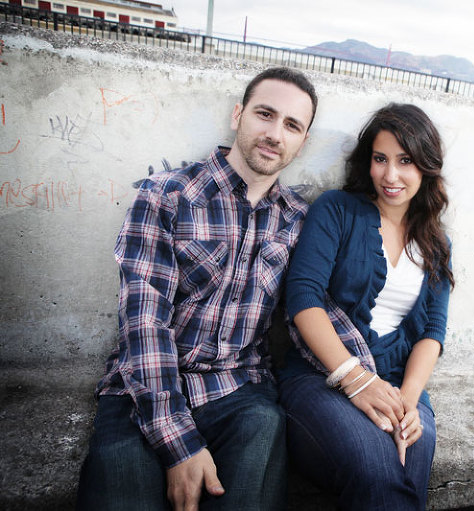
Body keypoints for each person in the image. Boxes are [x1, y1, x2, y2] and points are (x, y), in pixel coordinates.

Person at [76, 66, 318, 511]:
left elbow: (316, 309)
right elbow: (143, 317)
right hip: (143, 390)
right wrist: (178, 442)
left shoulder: (299, 221)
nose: (274, 133)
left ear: (303, 141)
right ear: (237, 115)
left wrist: (367, 381)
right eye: (265, 114)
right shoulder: (166, 195)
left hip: (241, 392)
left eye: (292, 125)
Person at [279, 103, 454, 510]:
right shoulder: (336, 210)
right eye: (380, 159)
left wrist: (409, 399)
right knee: (377, 467)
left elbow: (433, 331)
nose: (390, 175)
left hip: (398, 382)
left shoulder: (437, 243)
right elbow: (303, 297)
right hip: (321, 376)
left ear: (426, 166)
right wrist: (356, 380)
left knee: (410, 457)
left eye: (405, 161)